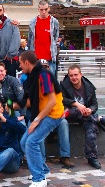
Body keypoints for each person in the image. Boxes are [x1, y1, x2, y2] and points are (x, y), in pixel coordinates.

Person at [19, 50, 64, 187]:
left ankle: (39, 178)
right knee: (24, 142)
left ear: (27, 62)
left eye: (20, 63)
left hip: (53, 115)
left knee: (31, 142)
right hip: (42, 114)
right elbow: (30, 102)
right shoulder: (32, 77)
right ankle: (43, 170)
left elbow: (51, 102)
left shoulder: (44, 75)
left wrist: (36, 120)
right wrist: (11, 104)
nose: (20, 66)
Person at [60, 64, 105, 169]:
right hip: (68, 113)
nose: (73, 77)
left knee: (91, 125)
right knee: (76, 111)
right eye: (71, 75)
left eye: (76, 75)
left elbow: (95, 104)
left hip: (86, 116)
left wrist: (90, 110)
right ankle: (100, 119)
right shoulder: (64, 85)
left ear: (81, 74)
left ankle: (92, 157)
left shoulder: (89, 87)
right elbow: (62, 99)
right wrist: (77, 104)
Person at [39, 59, 74, 168]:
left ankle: (65, 156)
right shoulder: (33, 83)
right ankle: (41, 159)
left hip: (54, 115)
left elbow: (60, 101)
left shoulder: (55, 83)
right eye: (41, 68)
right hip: (40, 116)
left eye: (46, 67)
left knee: (63, 122)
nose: (44, 71)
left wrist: (62, 112)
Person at [28, 0, 59, 75]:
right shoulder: (32, 22)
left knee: (50, 82)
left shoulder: (54, 22)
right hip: (36, 58)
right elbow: (30, 40)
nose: (44, 12)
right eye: (41, 10)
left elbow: (55, 37)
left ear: (49, 9)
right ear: (38, 9)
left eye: (45, 9)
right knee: (35, 82)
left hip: (50, 58)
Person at [0, 4, 20, 77]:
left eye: (0, 10)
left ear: (4, 11)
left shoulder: (12, 24)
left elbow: (16, 40)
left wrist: (10, 55)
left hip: (10, 60)